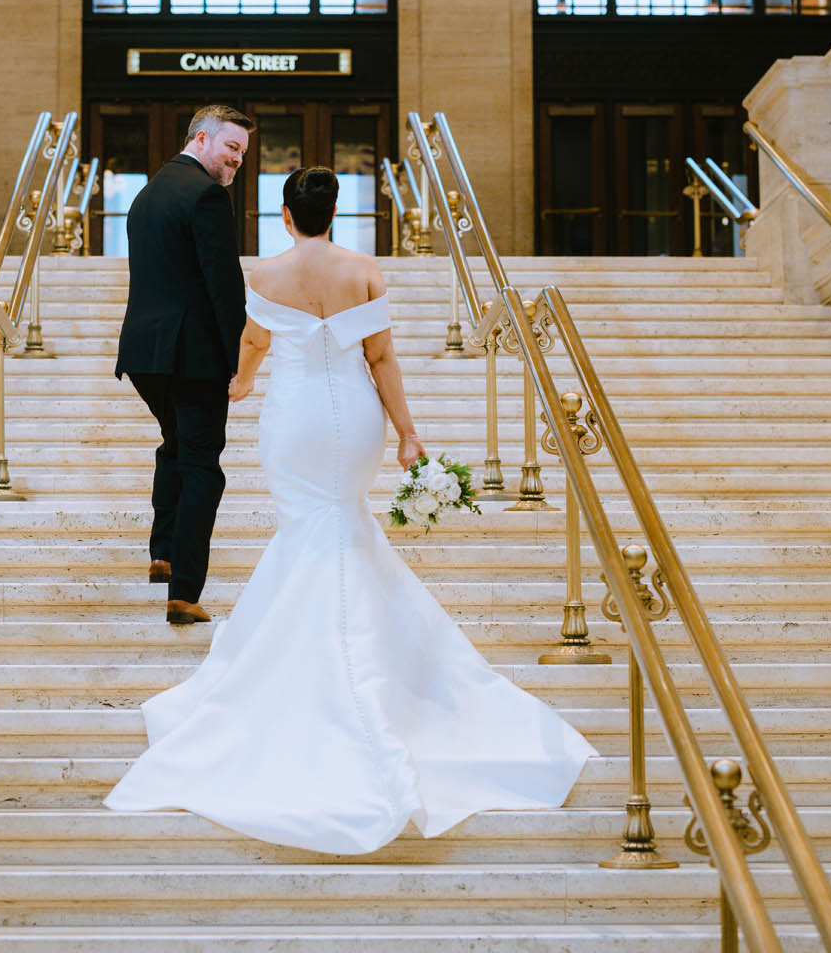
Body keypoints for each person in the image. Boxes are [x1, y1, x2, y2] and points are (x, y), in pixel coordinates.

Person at [104, 166, 596, 855]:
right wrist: (406, 431)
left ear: (285, 214)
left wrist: (242, 382)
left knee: (309, 527)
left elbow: (253, 345)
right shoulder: (363, 271)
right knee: (344, 523)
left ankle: (302, 671)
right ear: (335, 212)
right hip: (355, 419)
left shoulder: (268, 275)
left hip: (296, 420)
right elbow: (382, 355)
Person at [114, 104, 251, 625]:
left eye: (242, 151)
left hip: (146, 353)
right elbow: (223, 283)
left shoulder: (148, 194)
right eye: (231, 147)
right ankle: (184, 592)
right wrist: (239, 359)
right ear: (201, 137)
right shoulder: (207, 195)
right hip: (192, 355)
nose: (237, 160)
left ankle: (163, 552)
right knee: (202, 466)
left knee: (175, 446)